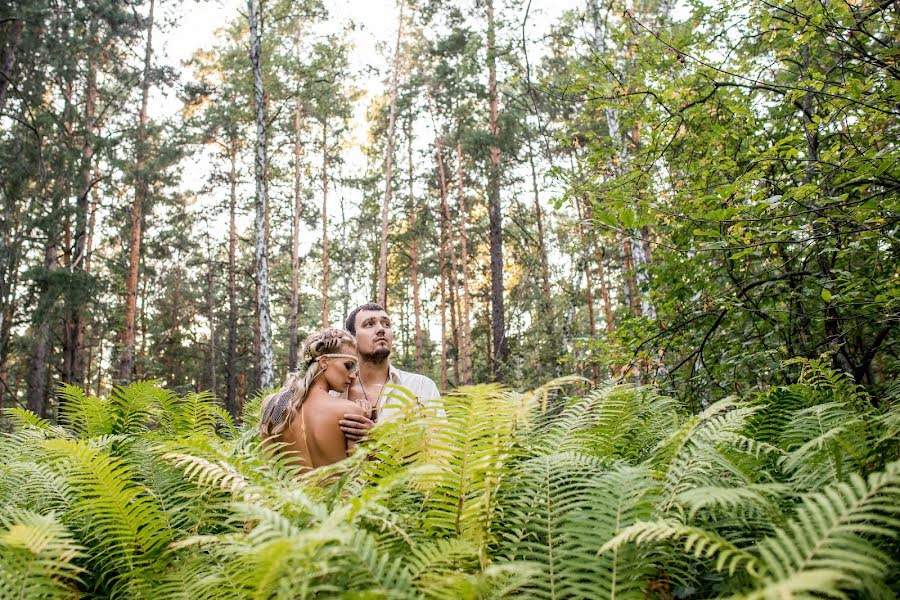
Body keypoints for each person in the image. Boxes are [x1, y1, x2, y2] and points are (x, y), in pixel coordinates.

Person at [258, 328, 368, 470]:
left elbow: (269, 472)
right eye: (348, 366)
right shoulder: (351, 412)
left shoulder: (274, 406)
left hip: (288, 492)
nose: (353, 375)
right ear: (324, 362)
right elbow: (360, 478)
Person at [339, 302, 441, 442]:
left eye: (386, 324)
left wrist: (379, 437)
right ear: (352, 339)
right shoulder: (336, 392)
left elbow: (439, 447)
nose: (381, 329)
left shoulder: (422, 387)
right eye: (369, 324)